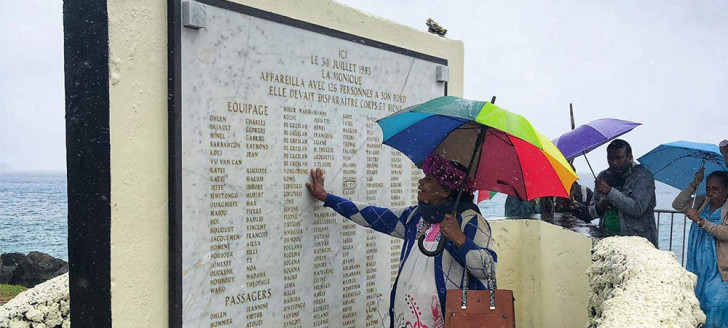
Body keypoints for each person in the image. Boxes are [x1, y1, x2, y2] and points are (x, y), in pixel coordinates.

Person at [306, 153, 496, 328]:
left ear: (445, 190)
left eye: (429, 179)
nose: (421, 182)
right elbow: (372, 216)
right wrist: (327, 198)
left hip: (452, 320)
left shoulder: (471, 221)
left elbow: (488, 270)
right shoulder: (415, 216)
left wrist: (461, 240)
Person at [673, 170, 728, 327]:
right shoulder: (703, 201)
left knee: (716, 302)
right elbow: (677, 204)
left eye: (716, 189)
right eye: (708, 187)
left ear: (726, 190)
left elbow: (725, 233)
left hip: (718, 266)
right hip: (697, 262)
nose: (711, 192)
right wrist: (694, 184)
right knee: (697, 299)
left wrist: (700, 221)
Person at [588, 139, 658, 246]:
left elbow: (637, 208)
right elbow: (591, 211)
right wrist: (600, 206)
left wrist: (610, 192)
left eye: (618, 158)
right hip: (606, 240)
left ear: (630, 157)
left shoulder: (643, 176)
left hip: (636, 242)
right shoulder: (603, 176)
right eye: (610, 159)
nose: (614, 163)